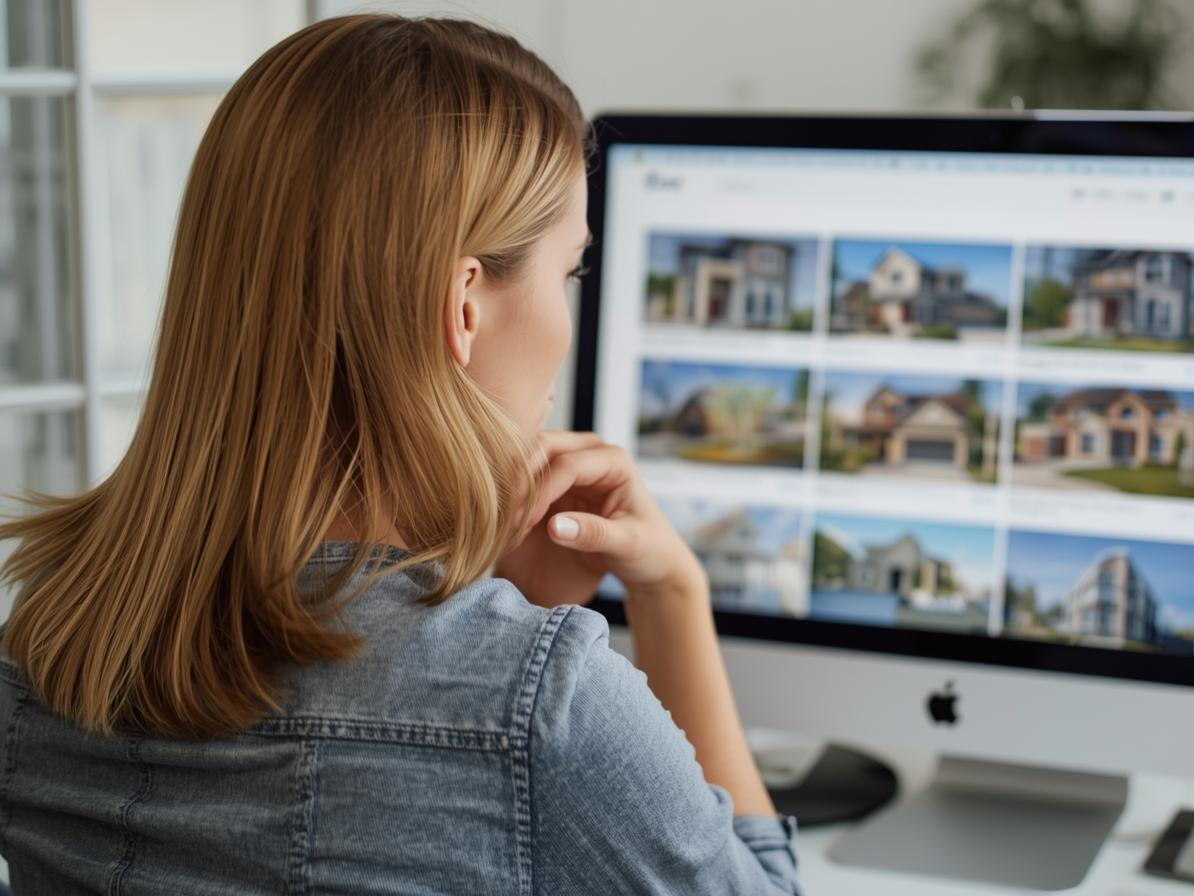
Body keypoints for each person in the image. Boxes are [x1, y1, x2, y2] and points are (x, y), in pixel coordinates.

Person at [0, 15, 797, 895]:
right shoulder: (543, 705)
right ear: (465, 305)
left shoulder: (46, 637)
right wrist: (670, 593)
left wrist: (497, 598)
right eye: (568, 272)